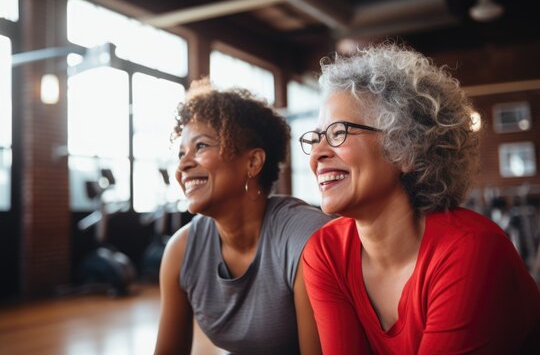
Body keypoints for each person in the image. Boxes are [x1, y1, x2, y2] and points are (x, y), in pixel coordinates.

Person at [299, 43, 540, 354]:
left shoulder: (470, 249)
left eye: (339, 132)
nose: (317, 153)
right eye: (316, 137)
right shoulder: (325, 252)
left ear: (405, 150)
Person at [155, 79, 331, 355]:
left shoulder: (306, 239)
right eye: (181, 152)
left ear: (252, 162)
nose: (183, 165)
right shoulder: (180, 251)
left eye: (200, 146)